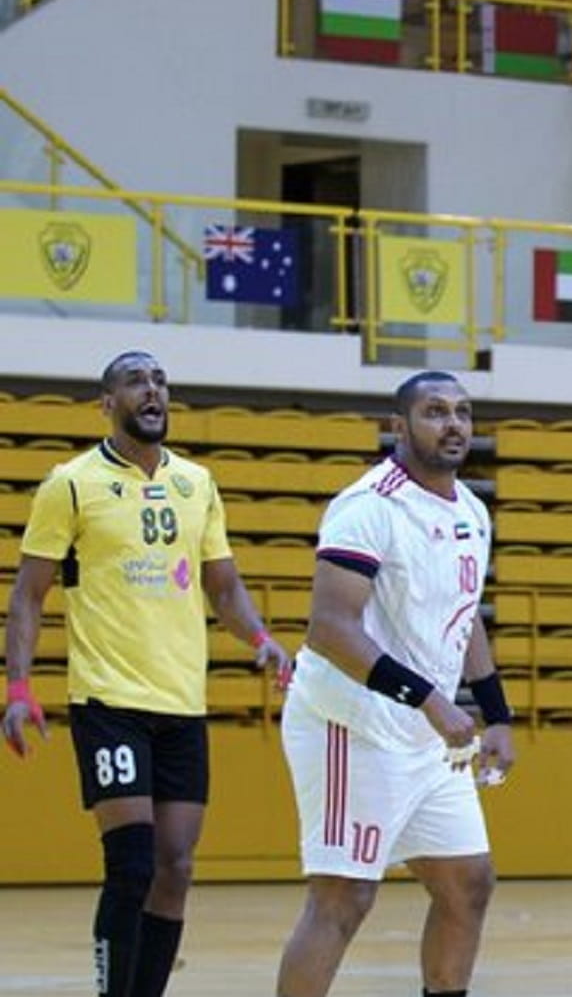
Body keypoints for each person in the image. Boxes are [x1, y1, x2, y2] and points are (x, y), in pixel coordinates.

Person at [2, 350, 292, 997]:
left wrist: (262, 638)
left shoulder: (198, 483)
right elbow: (27, 595)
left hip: (182, 704)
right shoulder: (69, 484)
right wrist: (18, 690)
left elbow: (224, 586)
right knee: (131, 865)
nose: (152, 390)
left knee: (175, 868)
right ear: (107, 403)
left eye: (159, 381)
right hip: (109, 701)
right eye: (136, 381)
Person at [274, 371, 513, 997]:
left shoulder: (472, 510)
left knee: (469, 881)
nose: (454, 424)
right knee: (344, 897)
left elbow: (465, 619)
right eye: (435, 412)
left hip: (424, 735)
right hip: (350, 725)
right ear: (399, 427)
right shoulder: (369, 506)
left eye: (462, 412)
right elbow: (330, 627)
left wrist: (499, 714)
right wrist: (433, 701)